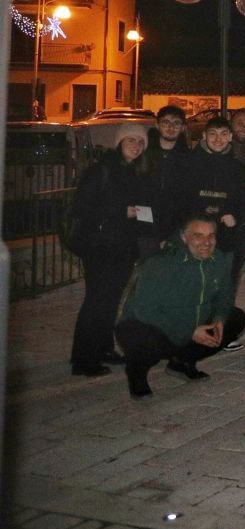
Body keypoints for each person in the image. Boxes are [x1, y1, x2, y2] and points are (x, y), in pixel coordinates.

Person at [115, 214, 245, 398]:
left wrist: (219, 319)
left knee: (235, 319)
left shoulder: (218, 260)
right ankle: (137, 374)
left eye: (211, 236)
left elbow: (224, 297)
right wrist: (190, 331)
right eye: (198, 236)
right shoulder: (161, 263)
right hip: (150, 325)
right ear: (184, 238)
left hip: (190, 324)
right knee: (143, 339)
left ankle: (182, 362)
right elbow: (144, 311)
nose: (206, 242)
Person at [67, 124, 154, 376]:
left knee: (111, 300)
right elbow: (83, 207)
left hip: (123, 247)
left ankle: (103, 348)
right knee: (96, 301)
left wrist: (147, 217)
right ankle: (83, 359)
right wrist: (122, 211)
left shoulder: (135, 171)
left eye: (141, 142)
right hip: (100, 246)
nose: (136, 146)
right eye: (131, 140)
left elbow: (140, 208)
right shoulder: (101, 170)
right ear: (119, 142)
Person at [175, 116, 245, 304]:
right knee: (193, 286)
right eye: (213, 134)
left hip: (226, 238)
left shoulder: (238, 168)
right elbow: (180, 199)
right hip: (195, 238)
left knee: (223, 287)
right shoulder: (189, 164)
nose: (218, 139)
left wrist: (236, 217)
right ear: (204, 135)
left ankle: (220, 319)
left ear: (230, 136)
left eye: (223, 134)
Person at [143, 105, 190, 252]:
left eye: (176, 123)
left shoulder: (188, 159)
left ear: (183, 128)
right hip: (146, 228)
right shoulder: (143, 154)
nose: (171, 127)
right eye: (166, 122)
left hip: (176, 229)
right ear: (157, 125)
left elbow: (188, 197)